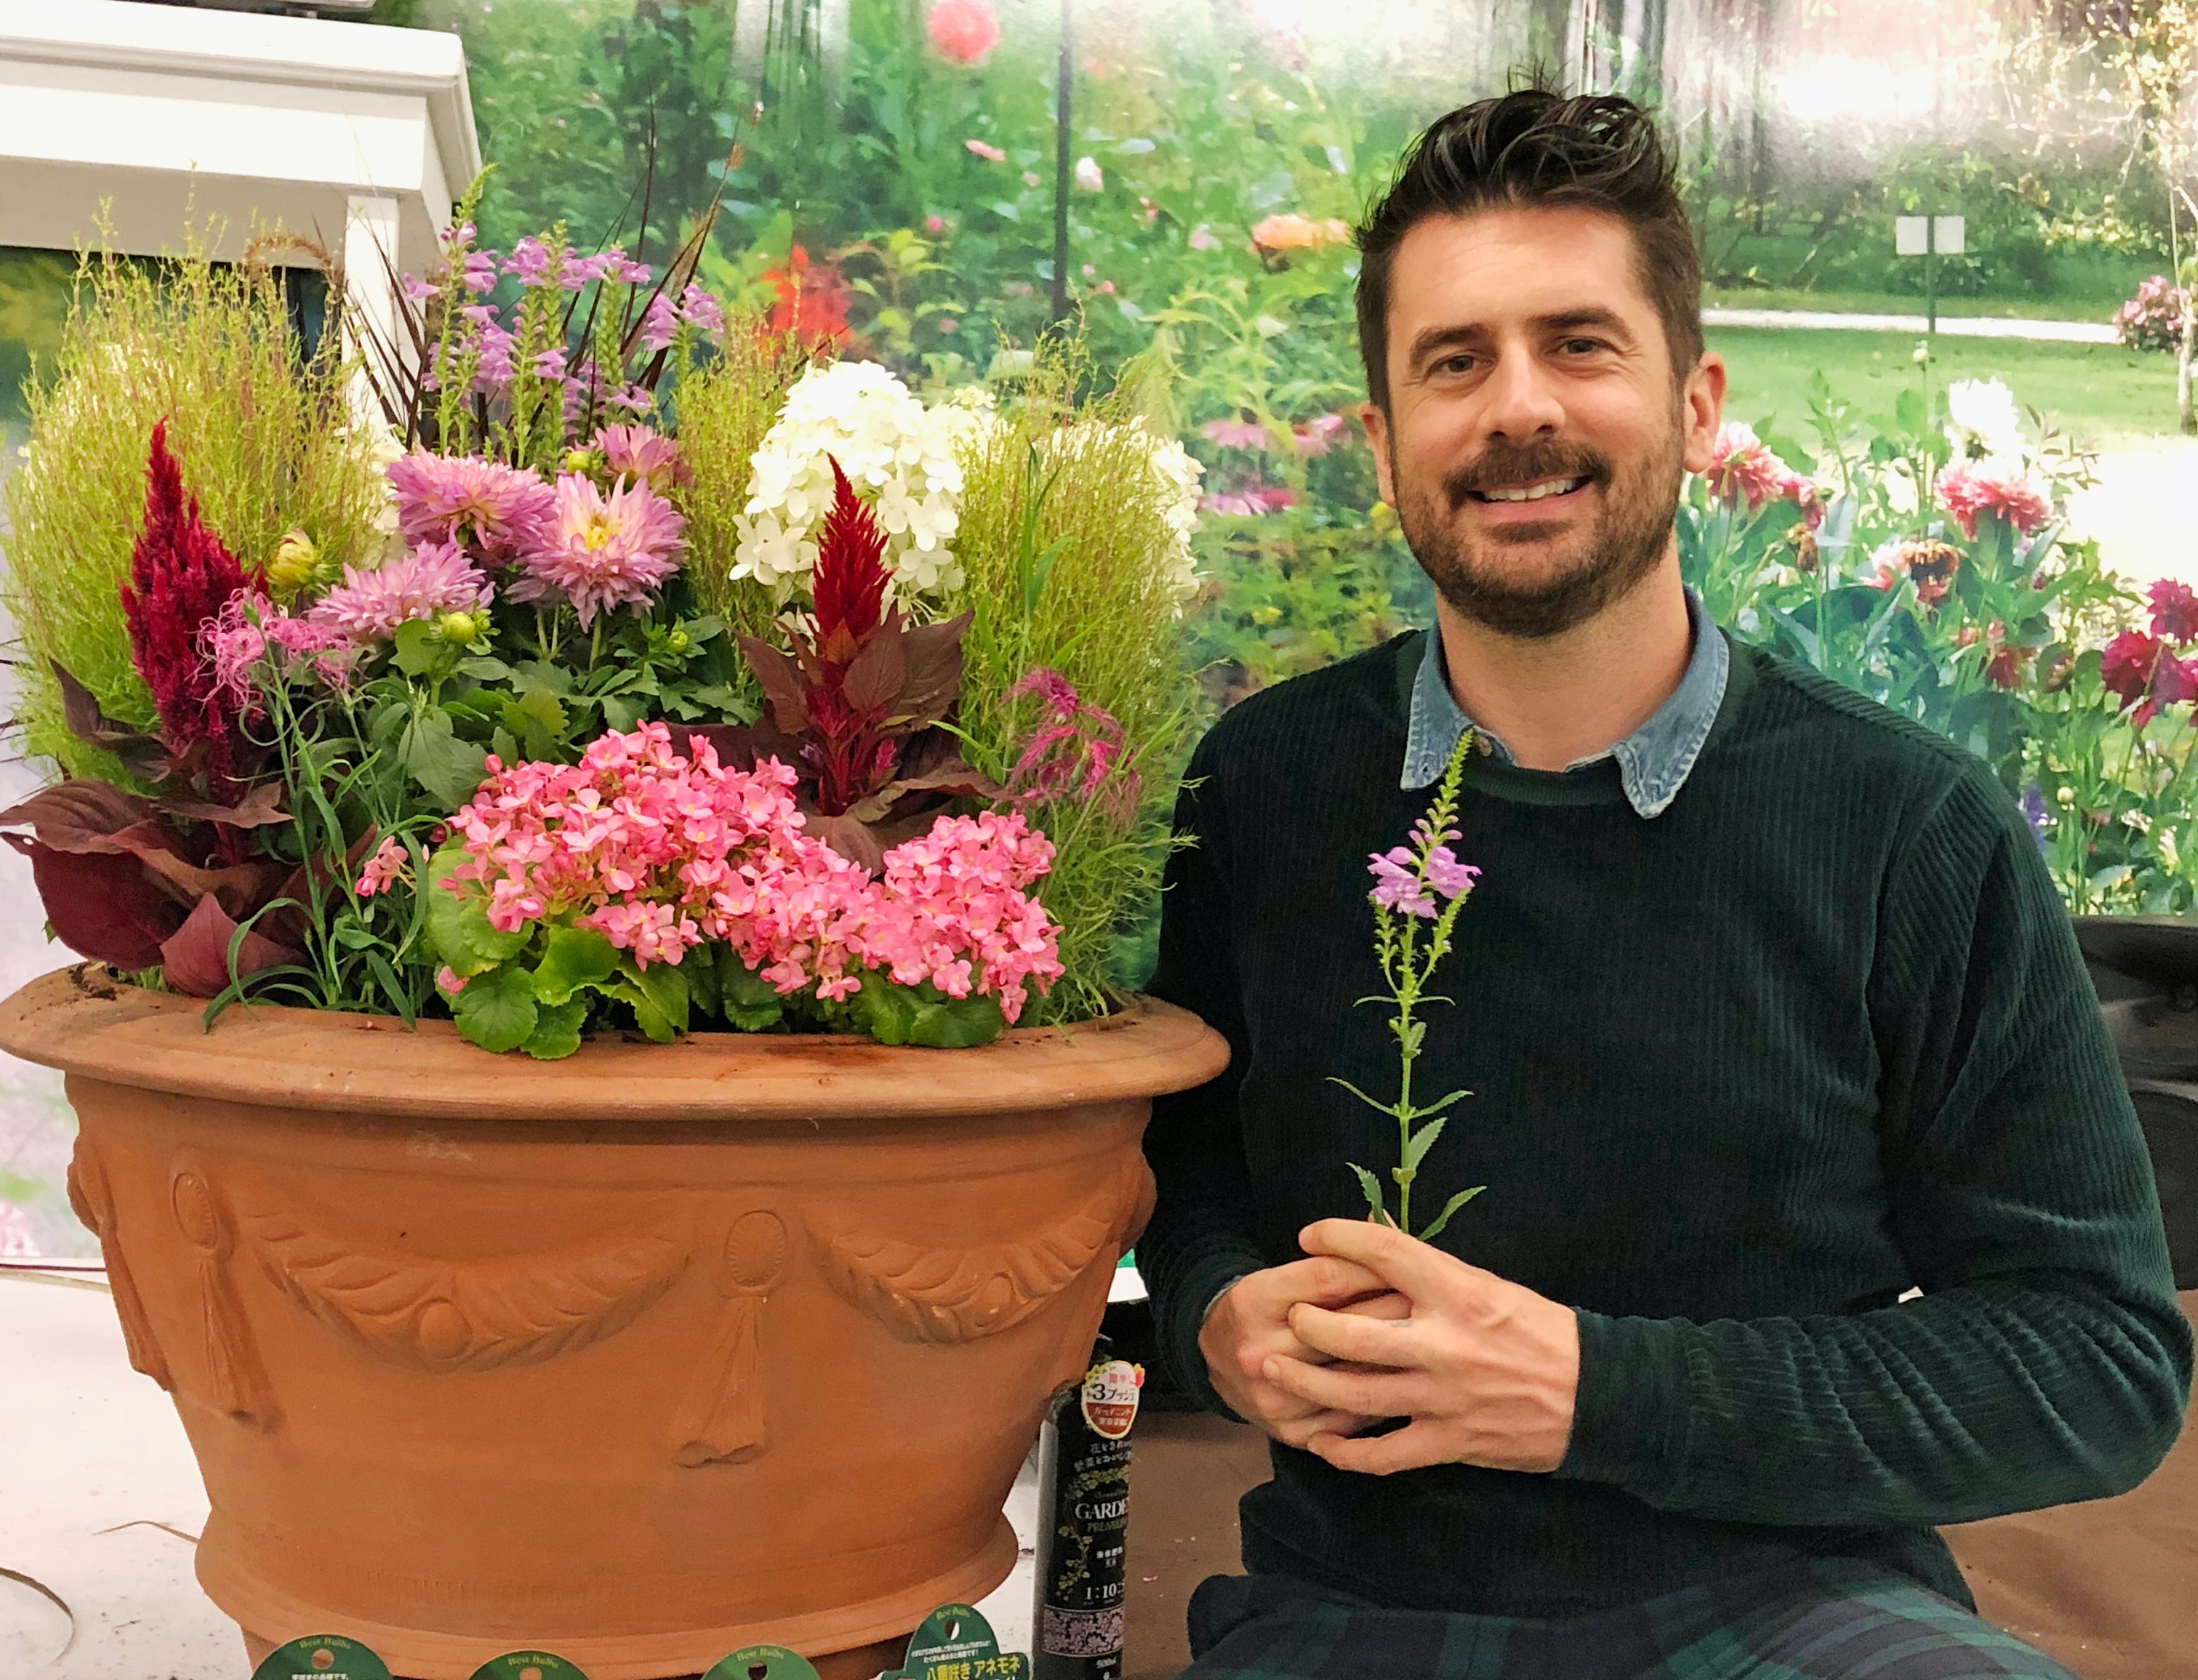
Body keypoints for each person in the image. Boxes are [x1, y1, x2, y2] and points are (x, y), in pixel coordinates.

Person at [1136, 84, 2191, 1680]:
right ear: (1383, 445)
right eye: (1454, 362)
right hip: (1354, 1614)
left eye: (1579, 343)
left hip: (1803, 1617)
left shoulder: (1907, 828)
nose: (1516, 409)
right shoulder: (1269, 787)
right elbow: (1191, 1161)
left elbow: (2097, 1360)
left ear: (1697, 407)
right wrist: (1219, 1307)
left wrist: (1593, 1393)